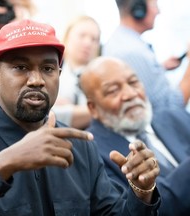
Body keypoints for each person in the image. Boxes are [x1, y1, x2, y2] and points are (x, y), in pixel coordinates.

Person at [0, 19, 161, 215]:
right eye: (21, 67)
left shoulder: (80, 147)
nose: (36, 80)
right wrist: (3, 165)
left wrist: (142, 192)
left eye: (48, 68)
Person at [80, 56, 190, 216]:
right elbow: (140, 209)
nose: (130, 94)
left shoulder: (174, 117)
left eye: (133, 82)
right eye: (113, 91)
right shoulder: (90, 153)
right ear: (93, 108)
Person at [102, 0, 190, 112]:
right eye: (154, 5)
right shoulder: (132, 51)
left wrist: (161, 68)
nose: (158, 11)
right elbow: (172, 109)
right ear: (138, 9)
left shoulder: (121, 41)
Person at [52, 15, 101, 129]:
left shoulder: (103, 77)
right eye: (82, 36)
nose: (88, 43)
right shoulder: (49, 71)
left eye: (94, 39)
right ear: (67, 37)